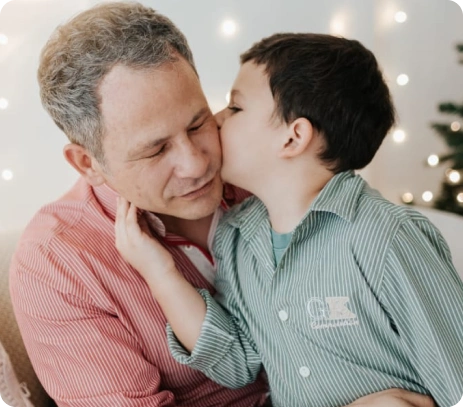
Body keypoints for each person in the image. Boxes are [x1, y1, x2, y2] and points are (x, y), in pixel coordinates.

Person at [8, 1, 435, 406]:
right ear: (88, 163)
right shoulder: (57, 262)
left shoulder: (261, 171)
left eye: (197, 124)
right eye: (156, 150)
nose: (197, 164)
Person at [115, 33, 463, 407]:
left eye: (235, 107)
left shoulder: (385, 237)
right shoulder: (236, 239)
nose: (216, 120)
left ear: (293, 138)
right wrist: (160, 273)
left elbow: (453, 370)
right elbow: (234, 363)